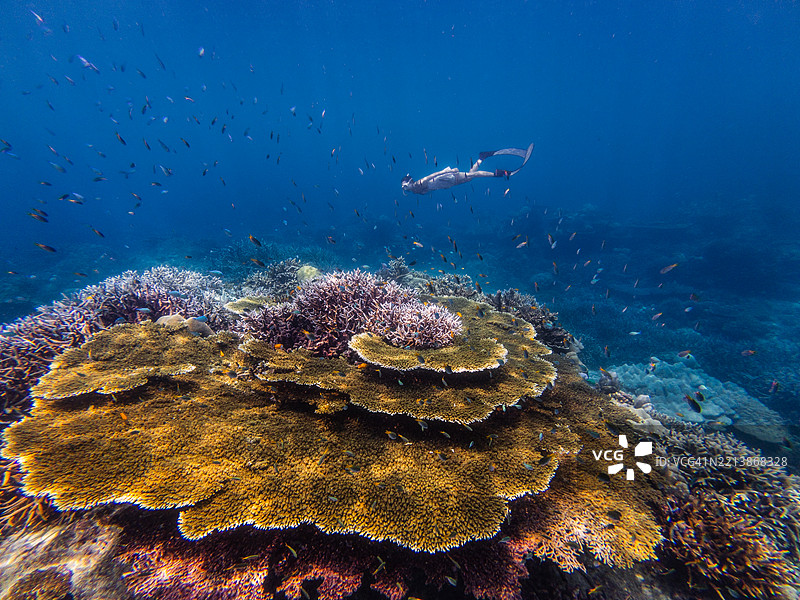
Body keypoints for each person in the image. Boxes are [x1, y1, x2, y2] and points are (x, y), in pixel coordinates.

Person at [401, 143, 534, 195]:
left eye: (405, 185)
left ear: (410, 182)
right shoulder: (415, 191)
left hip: (446, 178)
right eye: (403, 187)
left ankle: (500, 173)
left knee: (474, 175)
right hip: (447, 184)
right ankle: (482, 157)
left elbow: (432, 175)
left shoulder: (419, 183)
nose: (404, 188)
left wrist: (449, 171)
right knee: (471, 177)